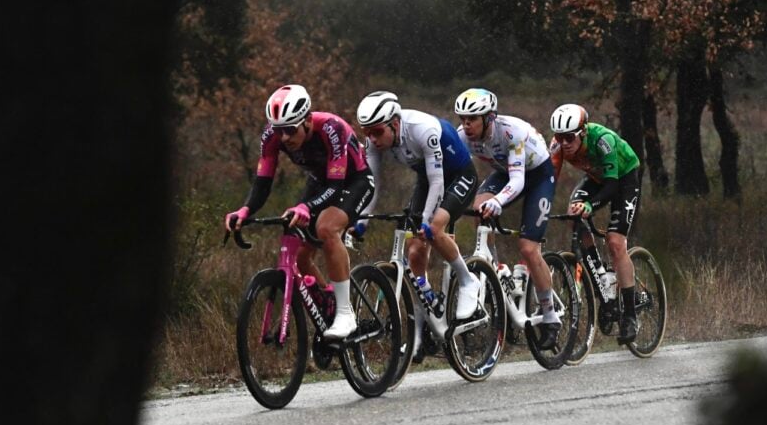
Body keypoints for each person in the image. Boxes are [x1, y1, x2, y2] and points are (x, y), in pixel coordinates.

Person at [224, 84, 374, 340]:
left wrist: (308, 206)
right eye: (279, 130)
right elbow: (262, 183)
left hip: (353, 181)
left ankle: (346, 313)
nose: (284, 138)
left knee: (326, 228)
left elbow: (336, 187)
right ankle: (329, 304)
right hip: (319, 182)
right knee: (300, 255)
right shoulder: (272, 136)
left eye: (290, 130)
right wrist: (245, 210)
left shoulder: (331, 128)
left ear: (306, 121)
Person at [355, 90, 481, 322]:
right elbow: (371, 183)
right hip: (428, 178)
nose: (372, 139)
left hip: (459, 176)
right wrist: (361, 220)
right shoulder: (374, 140)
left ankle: (467, 280)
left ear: (394, 123)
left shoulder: (422, 129)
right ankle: (427, 317)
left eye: (377, 132)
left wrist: (426, 219)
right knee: (414, 250)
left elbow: (438, 181)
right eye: (367, 133)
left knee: (434, 229)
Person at [453, 87, 561, 349]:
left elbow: (518, 180)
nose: (466, 125)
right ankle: (495, 268)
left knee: (528, 247)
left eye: (473, 119)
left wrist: (499, 201)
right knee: (478, 209)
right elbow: (455, 173)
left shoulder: (510, 132)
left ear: (489, 118)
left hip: (536, 175)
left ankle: (550, 316)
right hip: (504, 172)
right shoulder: (462, 137)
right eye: (463, 119)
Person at [549, 103, 642, 344]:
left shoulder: (603, 140)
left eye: (569, 137)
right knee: (574, 212)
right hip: (595, 178)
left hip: (622, 178)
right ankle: (601, 274)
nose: (564, 143)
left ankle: (631, 316)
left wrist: (591, 206)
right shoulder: (558, 145)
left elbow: (611, 187)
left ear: (583, 132)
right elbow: (549, 181)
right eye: (560, 137)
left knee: (615, 242)